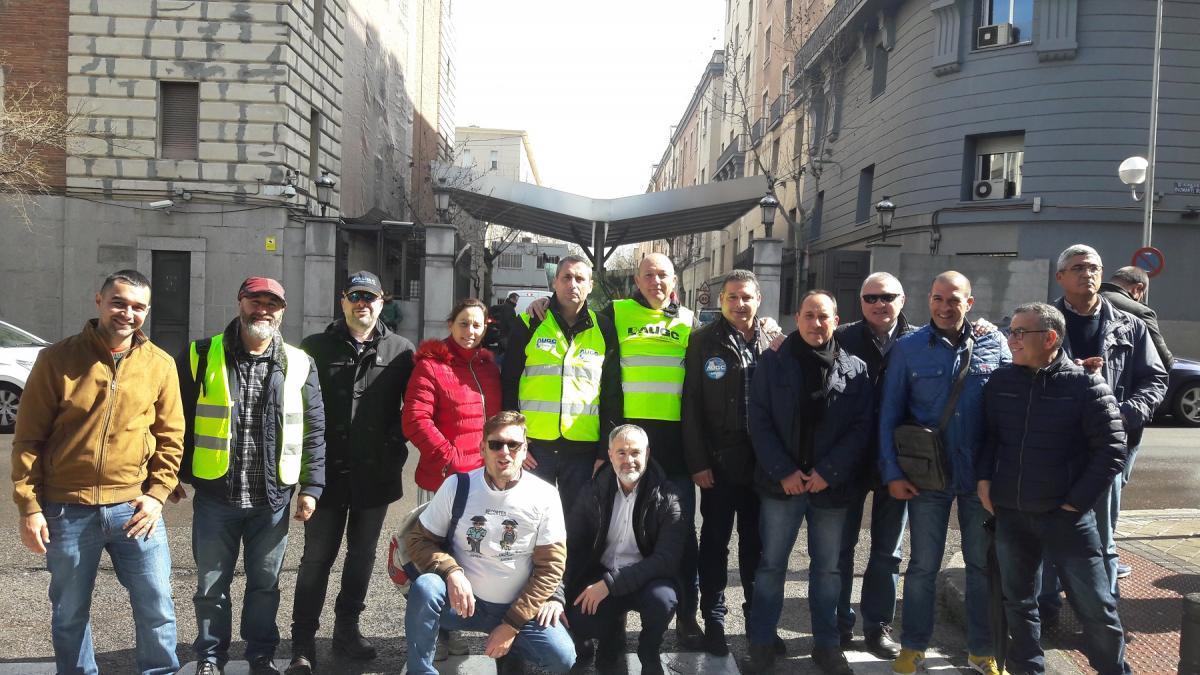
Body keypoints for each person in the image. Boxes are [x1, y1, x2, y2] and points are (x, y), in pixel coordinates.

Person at [12, 269, 184, 675]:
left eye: (138, 307)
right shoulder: (57, 359)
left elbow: (171, 436)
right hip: (67, 510)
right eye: (119, 302)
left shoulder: (160, 365)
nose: (128, 313)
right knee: (70, 613)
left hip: (134, 509)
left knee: (157, 604)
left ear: (147, 311)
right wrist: (29, 506)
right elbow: (28, 438)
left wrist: (158, 493)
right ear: (99, 301)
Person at [175, 276, 326, 675]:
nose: (263, 309)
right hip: (216, 496)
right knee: (210, 587)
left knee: (264, 587)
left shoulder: (298, 362)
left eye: (272, 303)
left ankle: (260, 656)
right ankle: (210, 657)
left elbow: (313, 427)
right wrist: (170, 473)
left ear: (283, 311)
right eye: (255, 300)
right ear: (239, 302)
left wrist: (311, 487)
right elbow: (173, 421)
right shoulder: (200, 354)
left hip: (272, 500)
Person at [978, 302, 1131, 674]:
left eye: (1019, 332)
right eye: (1009, 331)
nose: (1010, 339)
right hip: (1011, 513)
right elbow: (988, 438)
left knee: (1095, 606)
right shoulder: (1001, 382)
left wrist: (1074, 505)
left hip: (1067, 520)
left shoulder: (1085, 385)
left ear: (1049, 338)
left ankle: (1113, 670)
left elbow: (1112, 451)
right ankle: (1027, 668)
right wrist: (984, 482)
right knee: (1017, 601)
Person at [877, 271, 1010, 675]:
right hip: (926, 477)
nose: (944, 307)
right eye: (937, 299)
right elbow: (889, 415)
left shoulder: (993, 342)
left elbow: (1010, 406)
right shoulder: (908, 348)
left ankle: (982, 650)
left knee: (980, 567)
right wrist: (892, 471)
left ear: (969, 303)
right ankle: (913, 646)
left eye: (954, 300)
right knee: (922, 567)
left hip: (979, 479)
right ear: (928, 300)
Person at [286, 271, 415, 673]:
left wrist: (392, 443)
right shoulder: (316, 348)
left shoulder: (401, 351)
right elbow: (302, 408)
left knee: (361, 557)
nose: (363, 303)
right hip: (326, 474)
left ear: (382, 302)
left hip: (375, 476)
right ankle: (303, 639)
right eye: (355, 296)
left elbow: (410, 408)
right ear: (343, 301)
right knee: (316, 559)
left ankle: (347, 630)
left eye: (370, 297)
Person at [743, 290, 873, 675]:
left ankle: (827, 645)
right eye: (809, 316)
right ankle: (762, 642)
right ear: (796, 318)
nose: (817, 324)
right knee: (771, 567)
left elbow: (860, 428)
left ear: (837, 320)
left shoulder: (856, 368)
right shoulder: (772, 363)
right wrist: (783, 470)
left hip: (830, 487)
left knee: (829, 570)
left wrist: (827, 473)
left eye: (824, 317)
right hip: (781, 484)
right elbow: (759, 420)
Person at [1040, 245, 1166, 615]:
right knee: (1048, 532)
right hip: (1051, 447)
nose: (1087, 273)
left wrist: (1124, 415)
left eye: (1094, 267)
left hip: (1105, 448)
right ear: (1060, 276)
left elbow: (1156, 379)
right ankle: (1046, 607)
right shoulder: (1041, 322)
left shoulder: (1130, 324)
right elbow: (1016, 366)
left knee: (1102, 537)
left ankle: (1099, 613)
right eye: (1078, 267)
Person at [403, 411, 576, 675]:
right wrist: (452, 572)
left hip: (517, 605)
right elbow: (418, 539)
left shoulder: (545, 496)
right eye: (495, 444)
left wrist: (511, 625)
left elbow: (551, 568)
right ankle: (421, 671)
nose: (504, 452)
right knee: (427, 587)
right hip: (465, 603)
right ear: (482, 448)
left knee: (563, 658)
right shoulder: (457, 486)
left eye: (513, 445)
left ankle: (513, 651)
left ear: (525, 448)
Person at [681, 269, 775, 657]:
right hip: (719, 463)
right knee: (715, 544)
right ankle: (715, 620)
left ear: (759, 301)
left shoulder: (775, 341)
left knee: (757, 546)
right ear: (721, 301)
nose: (740, 304)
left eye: (746, 297)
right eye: (732, 297)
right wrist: (698, 461)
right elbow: (691, 407)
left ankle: (758, 623)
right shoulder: (703, 341)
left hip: (764, 466)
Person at [402, 297, 502, 659]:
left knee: (471, 555)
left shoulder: (488, 367)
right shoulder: (430, 366)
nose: (470, 331)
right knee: (433, 555)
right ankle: (436, 634)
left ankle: (456, 623)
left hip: (481, 480)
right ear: (450, 324)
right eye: (463, 323)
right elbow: (415, 419)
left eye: (477, 325)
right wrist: (450, 458)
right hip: (443, 478)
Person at [831, 272, 912, 658]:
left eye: (888, 296)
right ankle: (839, 621)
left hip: (897, 462)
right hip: (849, 458)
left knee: (887, 551)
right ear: (860, 302)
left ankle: (877, 626)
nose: (880, 304)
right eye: (871, 297)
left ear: (903, 299)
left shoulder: (919, 341)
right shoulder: (841, 337)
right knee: (841, 547)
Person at [565, 424, 684, 675]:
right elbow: (572, 546)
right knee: (579, 615)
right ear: (609, 455)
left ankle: (649, 650)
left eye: (635, 453)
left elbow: (666, 560)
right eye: (621, 453)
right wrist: (558, 595)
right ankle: (610, 641)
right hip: (603, 572)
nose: (628, 460)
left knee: (663, 601)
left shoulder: (669, 496)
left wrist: (610, 584)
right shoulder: (592, 491)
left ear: (647, 454)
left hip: (648, 577)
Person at [501, 255, 621, 504]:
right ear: (555, 282)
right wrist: (514, 439)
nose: (572, 284)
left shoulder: (605, 328)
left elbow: (611, 392)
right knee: (528, 521)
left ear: (591, 285)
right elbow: (509, 382)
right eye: (566, 277)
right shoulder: (530, 321)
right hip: (534, 448)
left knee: (576, 528)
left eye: (580, 278)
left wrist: (604, 450)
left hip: (583, 450)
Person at [1100, 265, 1172, 368]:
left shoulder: (1087, 300)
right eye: (1142, 294)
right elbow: (1163, 359)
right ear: (1138, 288)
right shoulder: (1140, 312)